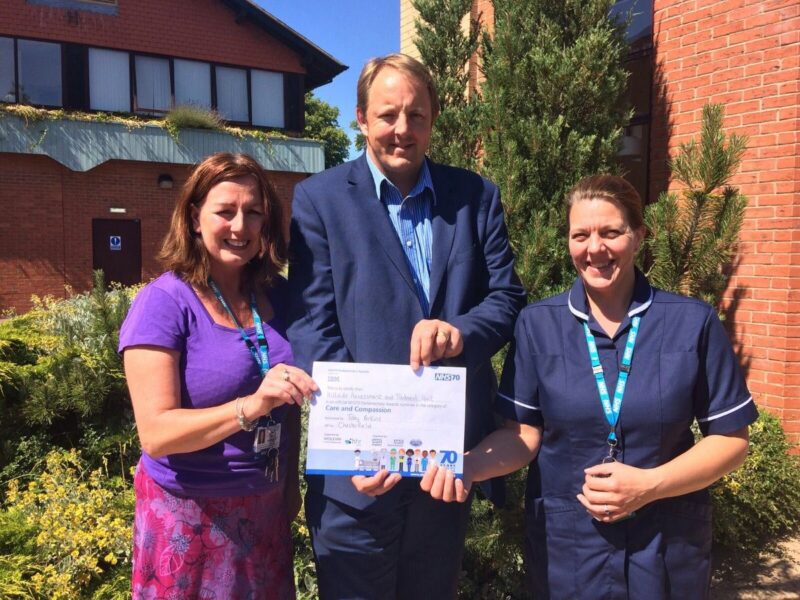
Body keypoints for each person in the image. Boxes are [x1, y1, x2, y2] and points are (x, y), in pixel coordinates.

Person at [422, 174, 758, 598]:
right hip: (569, 553)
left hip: (666, 549)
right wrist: (466, 466)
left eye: (611, 232)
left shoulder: (692, 323)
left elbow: (731, 440)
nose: (594, 248)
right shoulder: (537, 326)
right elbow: (522, 435)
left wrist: (648, 486)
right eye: (580, 235)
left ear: (639, 235)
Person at [286, 53, 526, 599]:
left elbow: (507, 297)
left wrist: (462, 332)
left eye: (416, 115)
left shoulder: (475, 197)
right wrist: (362, 446)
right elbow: (312, 325)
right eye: (388, 114)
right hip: (359, 481)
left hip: (445, 471)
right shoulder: (318, 201)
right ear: (361, 119)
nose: (402, 129)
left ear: (433, 119)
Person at [119, 152, 317, 599]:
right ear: (194, 217)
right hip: (188, 518)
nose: (240, 226)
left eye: (253, 213)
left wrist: (287, 489)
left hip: (264, 513)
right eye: (225, 211)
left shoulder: (279, 296)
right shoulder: (164, 302)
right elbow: (156, 433)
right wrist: (251, 406)